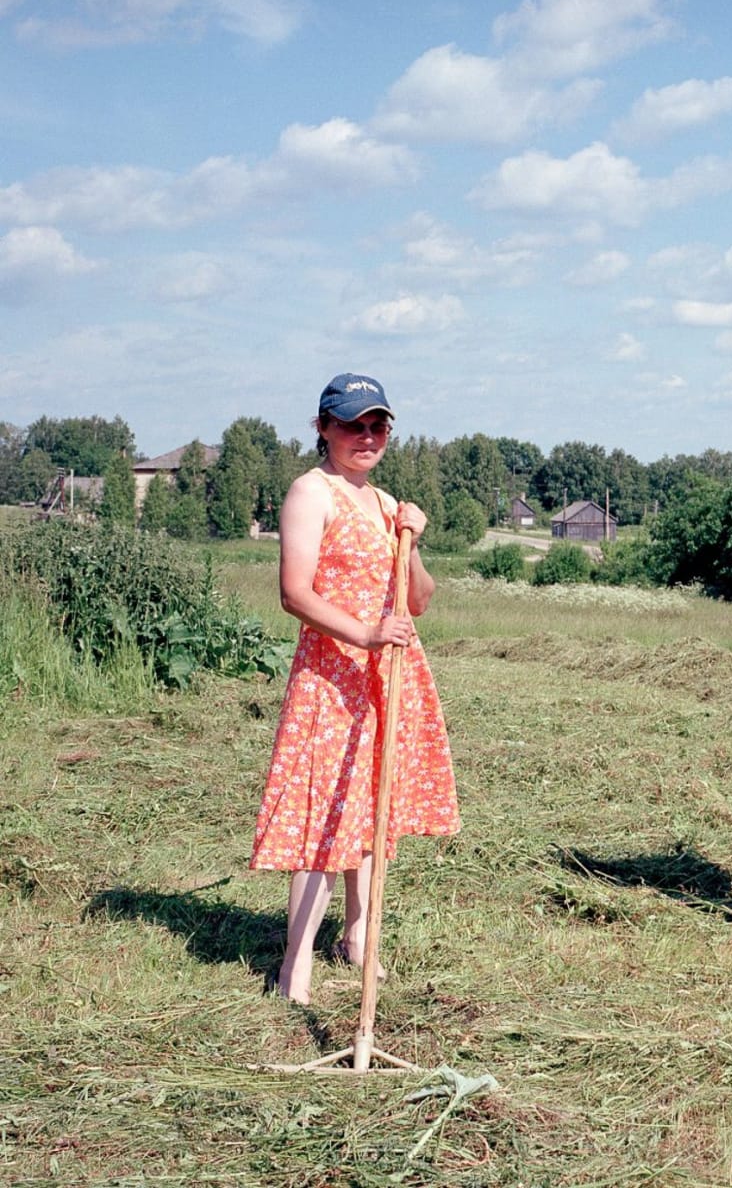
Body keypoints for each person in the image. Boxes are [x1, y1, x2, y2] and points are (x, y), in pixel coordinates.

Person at [250, 373, 459, 1004]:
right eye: (351, 425)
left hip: (386, 674)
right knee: (322, 815)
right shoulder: (309, 493)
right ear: (322, 427)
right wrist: (365, 633)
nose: (366, 437)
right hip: (332, 676)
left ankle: (360, 938)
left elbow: (417, 601)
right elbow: (295, 593)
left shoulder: (386, 503)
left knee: (373, 808)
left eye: (377, 426)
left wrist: (413, 544)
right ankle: (296, 965)